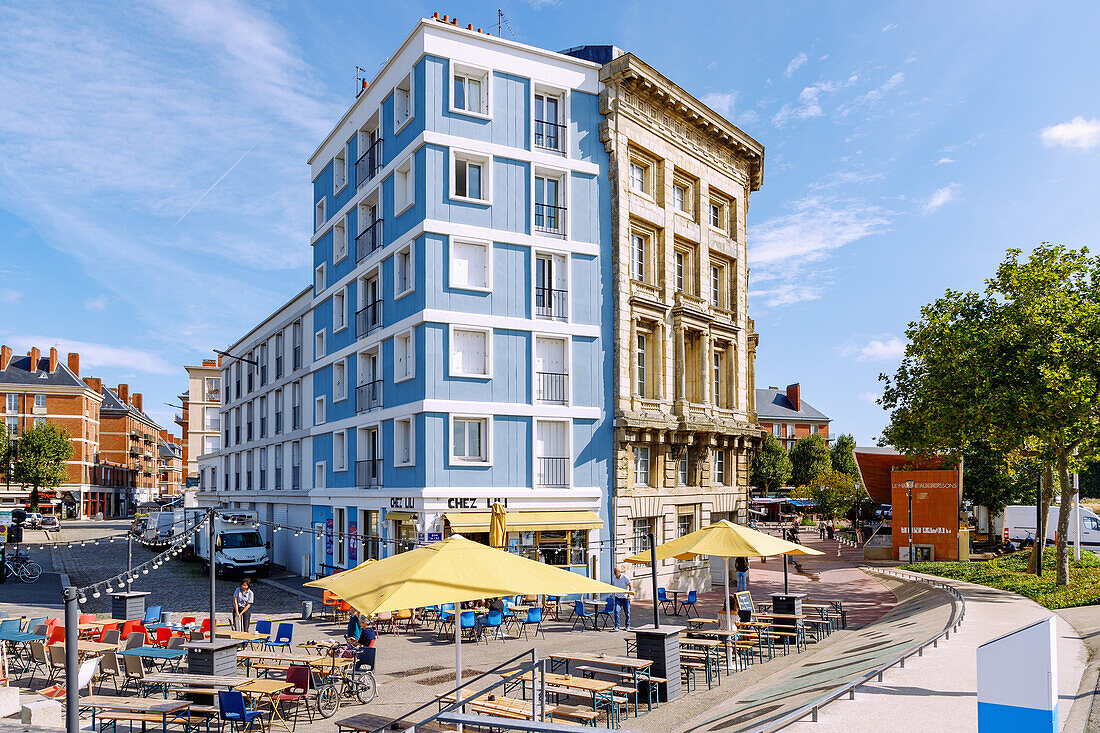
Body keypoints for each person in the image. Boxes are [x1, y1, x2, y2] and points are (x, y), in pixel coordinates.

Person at [611, 565, 633, 631]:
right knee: (616, 611)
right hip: (618, 597)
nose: (614, 573)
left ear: (619, 571)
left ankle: (627, 626)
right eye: (614, 571)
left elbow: (630, 586)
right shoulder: (614, 578)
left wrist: (629, 596)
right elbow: (614, 588)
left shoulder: (625, 577)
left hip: (625, 598)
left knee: (627, 612)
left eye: (616, 571)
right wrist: (614, 597)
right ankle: (617, 626)